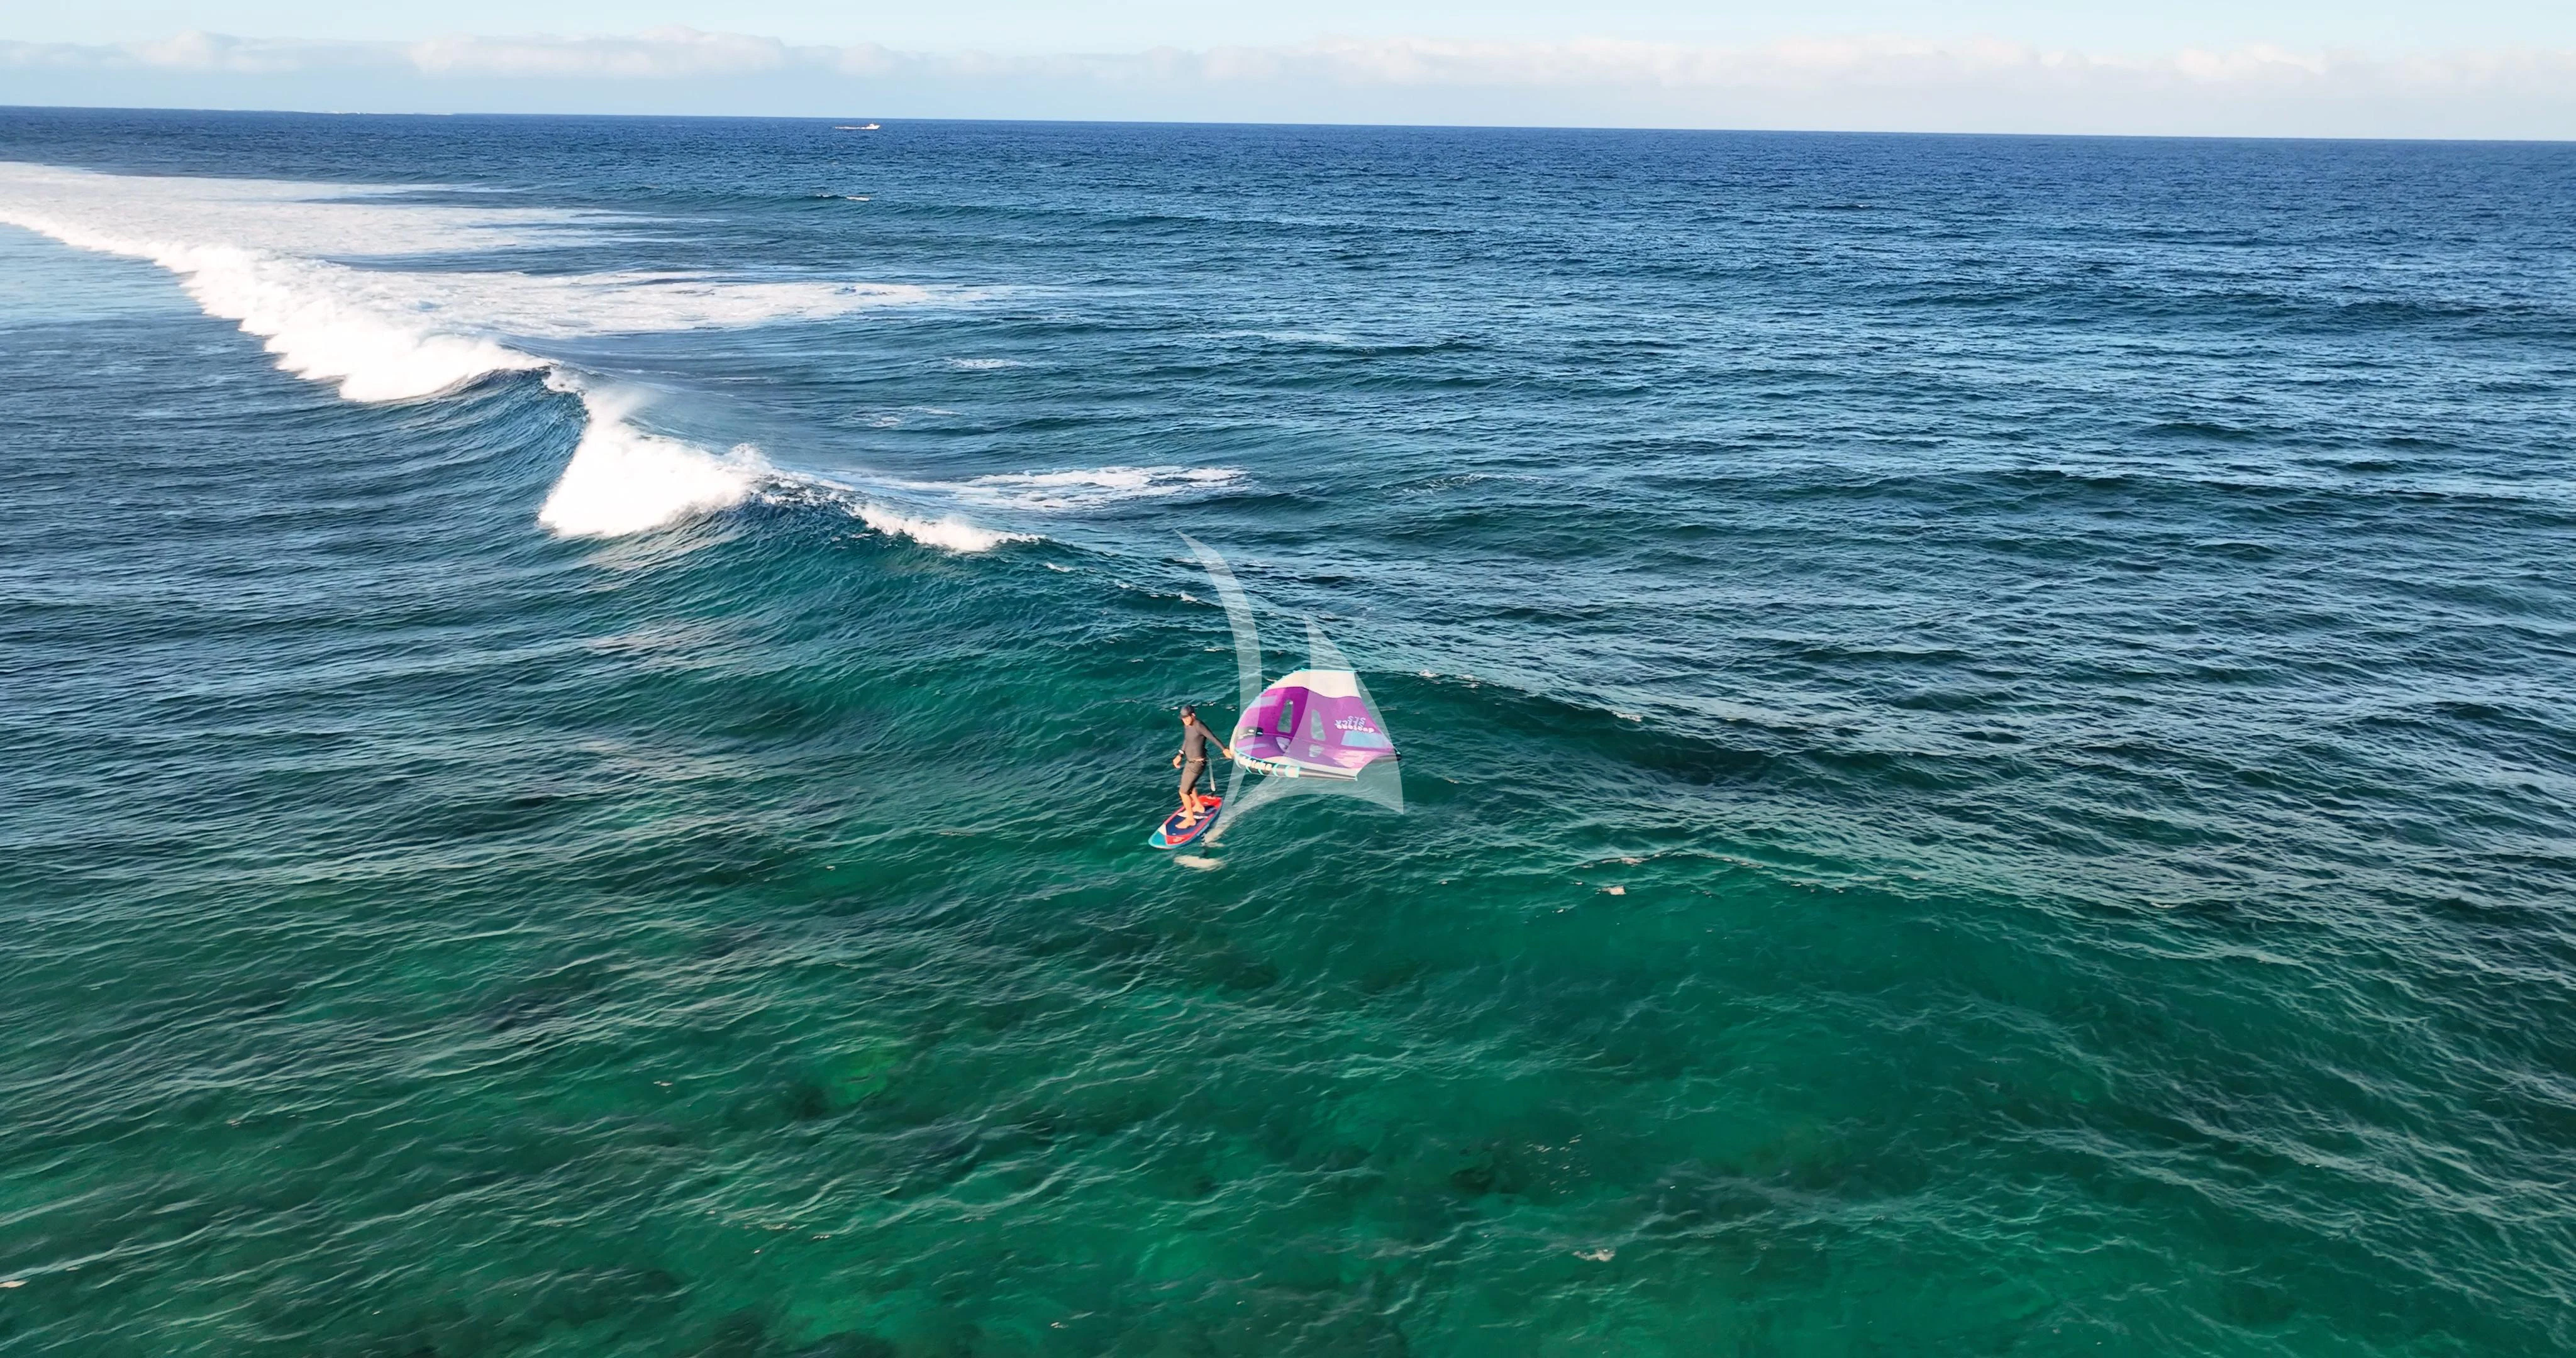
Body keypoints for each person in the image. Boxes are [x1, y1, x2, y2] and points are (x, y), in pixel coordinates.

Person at [1172, 704, 1233, 828]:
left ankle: (1190, 820)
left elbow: (1212, 737)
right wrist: (1180, 755)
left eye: (1187, 718)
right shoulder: (1187, 725)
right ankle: (1199, 806)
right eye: (1183, 718)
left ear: (1193, 715)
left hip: (1198, 763)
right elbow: (1187, 740)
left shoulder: (1199, 725)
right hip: (1190, 761)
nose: (1185, 720)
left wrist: (1224, 749)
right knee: (1190, 786)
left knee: (1183, 792)